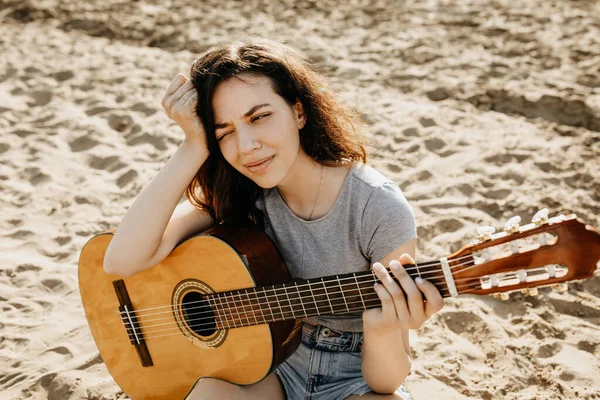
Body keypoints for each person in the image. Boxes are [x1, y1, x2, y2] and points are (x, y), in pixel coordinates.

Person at [103, 36, 445, 400]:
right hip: (269, 364)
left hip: (355, 374)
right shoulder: (239, 194)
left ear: (298, 112)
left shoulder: (377, 208)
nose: (247, 145)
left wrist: (382, 329)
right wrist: (193, 145)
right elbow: (120, 260)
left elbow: (385, 383)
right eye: (225, 131)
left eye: (260, 117)